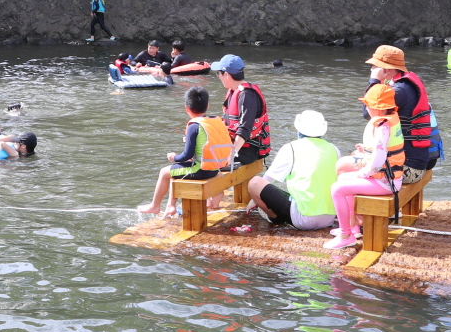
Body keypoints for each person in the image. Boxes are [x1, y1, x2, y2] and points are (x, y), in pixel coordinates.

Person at [327, 84, 404, 250]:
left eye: (367, 105)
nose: (366, 107)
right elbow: (383, 151)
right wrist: (366, 151)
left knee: (337, 189)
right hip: (389, 177)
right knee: (343, 179)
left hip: (386, 182)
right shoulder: (389, 120)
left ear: (376, 108)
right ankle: (352, 228)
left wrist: (363, 173)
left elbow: (379, 159)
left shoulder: (382, 125)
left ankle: (345, 235)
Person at [136, 86, 233, 215]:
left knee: (165, 172)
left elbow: (186, 155)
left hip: (201, 171)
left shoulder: (194, 126)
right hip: (216, 169)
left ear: (187, 108)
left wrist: (173, 157)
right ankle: (171, 206)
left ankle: (155, 206)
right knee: (176, 170)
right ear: (208, 105)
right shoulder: (215, 121)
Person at [246, 110, 340, 230]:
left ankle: (274, 217)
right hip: (329, 218)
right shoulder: (334, 149)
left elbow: (268, 179)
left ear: (299, 129)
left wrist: (254, 200)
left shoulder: (291, 148)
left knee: (254, 182)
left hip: (302, 219)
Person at [361, 45, 440, 184]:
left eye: (374, 66)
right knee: (358, 155)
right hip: (419, 161)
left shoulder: (399, 90)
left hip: (409, 169)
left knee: (344, 165)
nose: (371, 69)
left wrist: (374, 80)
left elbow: (367, 113)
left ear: (385, 69)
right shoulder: (405, 83)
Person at [218, 54, 271, 166]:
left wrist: (231, 155)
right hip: (237, 147)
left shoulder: (247, 95)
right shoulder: (234, 91)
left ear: (226, 74)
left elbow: (245, 128)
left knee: (208, 164)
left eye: (218, 73)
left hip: (247, 151)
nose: (218, 76)